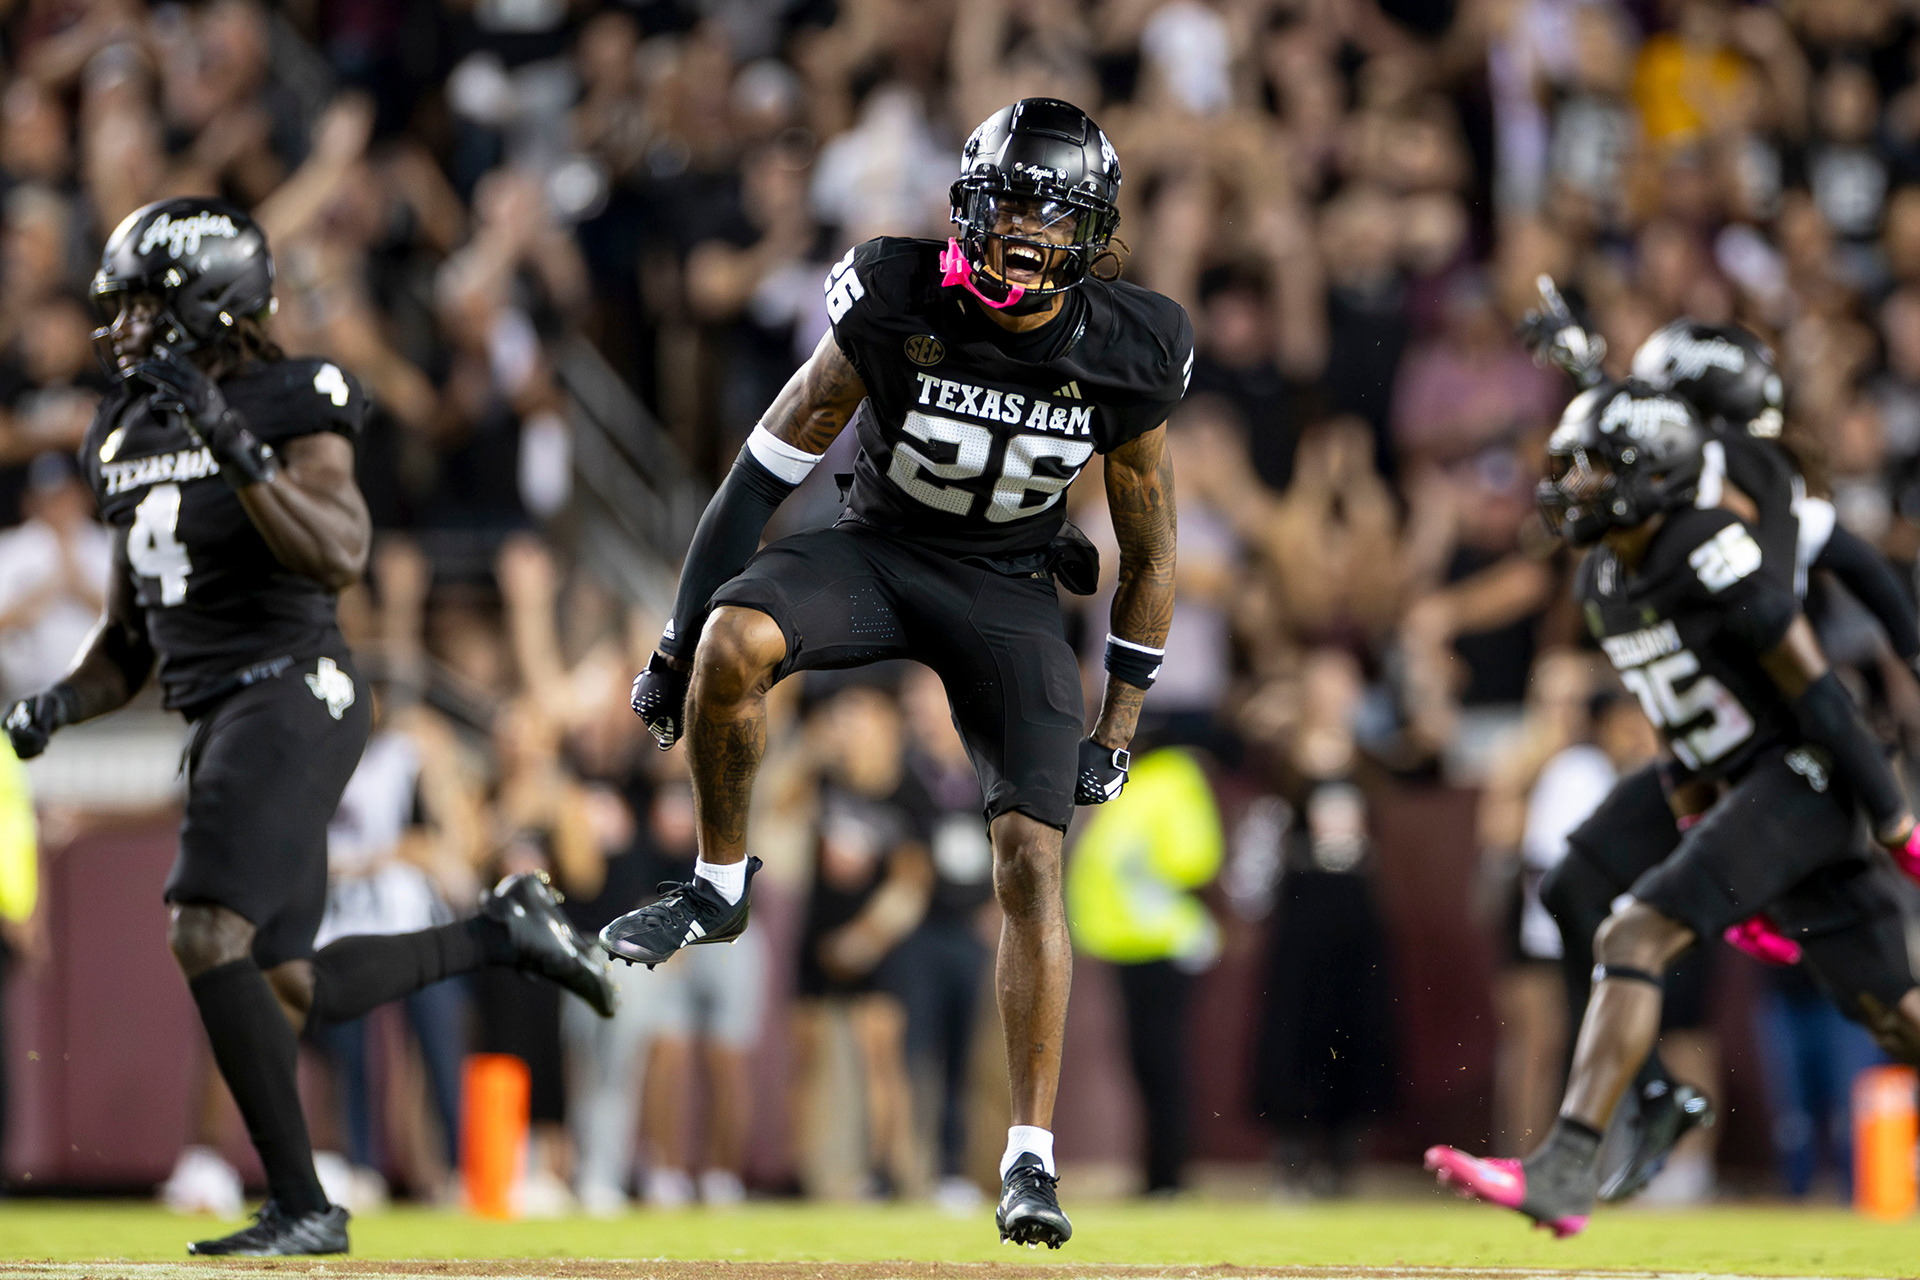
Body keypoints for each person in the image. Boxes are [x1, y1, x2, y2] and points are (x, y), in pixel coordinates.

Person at [606, 97, 1190, 1248]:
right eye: (1009, 200)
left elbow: (1152, 548)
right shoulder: (894, 294)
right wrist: (678, 640)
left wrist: (1119, 725)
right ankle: (719, 884)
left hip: (1009, 593)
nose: (1024, 230)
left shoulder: (1131, 346)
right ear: (968, 204)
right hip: (877, 552)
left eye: (1050, 211)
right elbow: (762, 472)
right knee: (736, 642)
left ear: (1093, 233)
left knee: (1032, 850)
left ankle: (1029, 1158)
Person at [0, 197, 617, 1258]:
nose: (124, 331)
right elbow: (129, 639)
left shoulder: (298, 394)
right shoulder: (123, 431)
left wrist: (227, 432)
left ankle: (304, 1201)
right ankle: (502, 932)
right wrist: (60, 700)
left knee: (203, 926)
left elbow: (336, 549)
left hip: (295, 686)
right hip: (222, 707)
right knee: (287, 982)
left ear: (205, 303)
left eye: (144, 306)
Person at [1425, 382, 1920, 1237]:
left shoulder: (1708, 543)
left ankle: (1565, 1169)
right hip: (1743, 789)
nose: (1573, 484)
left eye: (1594, 467)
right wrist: (1700, 834)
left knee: (1631, 932)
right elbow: (1673, 728)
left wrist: (1897, 822)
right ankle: (1631, 1111)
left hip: (1804, 775)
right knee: (1893, 1010)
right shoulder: (1603, 575)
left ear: (1654, 471)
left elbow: (1819, 690)